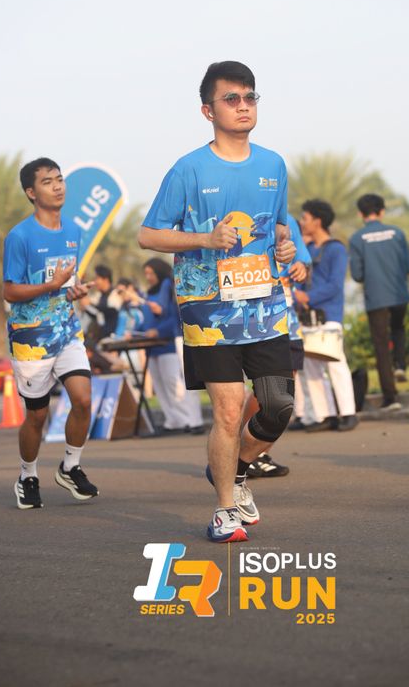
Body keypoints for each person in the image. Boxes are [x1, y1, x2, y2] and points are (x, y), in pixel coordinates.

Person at [138, 60, 296, 542]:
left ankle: (236, 468)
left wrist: (288, 248)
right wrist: (205, 240)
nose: (243, 106)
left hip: (265, 304)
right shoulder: (188, 169)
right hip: (207, 309)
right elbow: (148, 235)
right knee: (229, 409)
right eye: (232, 99)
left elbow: (280, 225)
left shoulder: (273, 165)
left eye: (250, 97)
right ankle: (225, 508)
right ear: (208, 110)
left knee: (278, 405)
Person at [3, 157, 98, 509]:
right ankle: (27, 475)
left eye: (59, 179)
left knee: (83, 399)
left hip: (66, 329)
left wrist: (72, 290)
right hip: (31, 339)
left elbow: (66, 280)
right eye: (47, 181)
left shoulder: (73, 231)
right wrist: (51, 286)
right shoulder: (20, 236)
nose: (57, 186)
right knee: (37, 416)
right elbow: (10, 291)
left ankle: (70, 466)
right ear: (31, 192)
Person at [246, 214, 310, 477]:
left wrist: (301, 268)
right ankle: (243, 452)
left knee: (282, 393)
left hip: (285, 319)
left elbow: (302, 263)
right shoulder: (231, 214)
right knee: (259, 390)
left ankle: (257, 453)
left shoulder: (286, 219)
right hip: (245, 317)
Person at [294, 199, 358, 432]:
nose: (302, 222)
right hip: (307, 318)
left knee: (336, 365)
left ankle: (348, 413)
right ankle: (325, 415)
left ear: (318, 221)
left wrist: (307, 297)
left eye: (305, 218)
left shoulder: (336, 249)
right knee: (310, 368)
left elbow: (335, 285)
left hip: (329, 316)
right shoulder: (308, 250)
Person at [349, 193, 409, 410]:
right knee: (398, 328)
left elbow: (357, 274)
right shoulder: (398, 233)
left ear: (361, 214)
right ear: (382, 211)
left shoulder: (357, 239)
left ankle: (391, 398)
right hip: (399, 295)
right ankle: (400, 365)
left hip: (376, 299)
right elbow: (408, 266)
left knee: (381, 346)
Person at [139, 258, 204, 434]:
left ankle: (193, 420)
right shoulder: (157, 289)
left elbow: (167, 312)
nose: (148, 277)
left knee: (180, 380)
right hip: (173, 337)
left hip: (178, 337)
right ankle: (178, 420)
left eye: (151, 273)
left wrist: (159, 328)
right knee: (169, 382)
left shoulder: (168, 283)